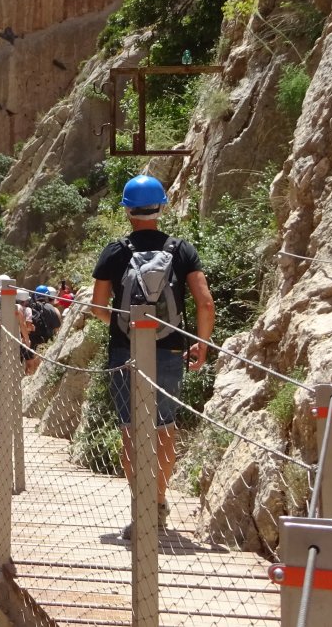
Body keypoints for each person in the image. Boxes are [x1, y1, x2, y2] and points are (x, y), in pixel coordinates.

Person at [90, 174, 214, 538]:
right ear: (161, 207)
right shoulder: (181, 249)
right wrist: (201, 343)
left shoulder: (115, 251)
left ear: (128, 210)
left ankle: (141, 509)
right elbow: (205, 303)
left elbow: (98, 307)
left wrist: (127, 320)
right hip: (171, 349)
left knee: (131, 431)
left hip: (125, 350)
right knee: (163, 429)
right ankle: (158, 505)